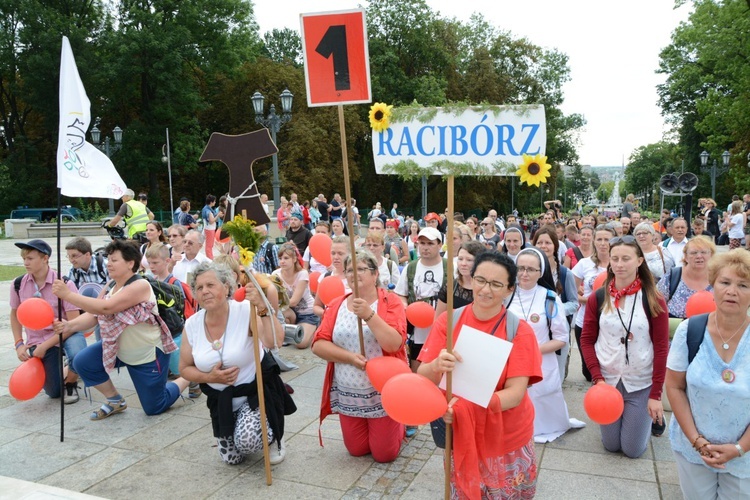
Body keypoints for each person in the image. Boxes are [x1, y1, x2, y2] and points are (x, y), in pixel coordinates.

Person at [417, 251, 543, 498]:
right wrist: (436, 366)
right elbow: (422, 375)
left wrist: (464, 410)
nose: (486, 290)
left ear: (509, 289)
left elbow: (515, 395)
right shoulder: (449, 322)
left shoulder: (519, 331)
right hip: (461, 432)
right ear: (471, 279)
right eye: (481, 280)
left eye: (496, 284)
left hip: (506, 436)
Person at [52, 239, 191, 419]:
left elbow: (106, 308)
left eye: (114, 260)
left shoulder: (140, 285)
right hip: (118, 348)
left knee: (155, 406)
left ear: (130, 263)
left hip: (146, 354)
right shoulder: (111, 285)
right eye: (108, 259)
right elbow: (95, 313)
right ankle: (115, 400)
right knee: (82, 362)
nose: (108, 263)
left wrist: (68, 295)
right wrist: (69, 325)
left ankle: (188, 378)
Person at [179, 262, 295, 465]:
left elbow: (273, 341)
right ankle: (242, 428)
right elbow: (184, 368)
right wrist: (209, 377)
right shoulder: (192, 324)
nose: (204, 291)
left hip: (254, 393)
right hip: (222, 401)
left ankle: (275, 431)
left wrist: (262, 308)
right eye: (199, 288)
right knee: (232, 459)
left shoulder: (245, 311)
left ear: (226, 287)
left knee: (248, 441)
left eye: (210, 285)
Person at [666, 249, 750, 498]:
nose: (732, 291)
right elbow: (675, 387)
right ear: (712, 286)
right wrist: (697, 441)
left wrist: (738, 448)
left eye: (743, 285)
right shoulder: (690, 330)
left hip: (744, 455)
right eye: (725, 282)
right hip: (692, 448)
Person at [311, 250, 407, 462]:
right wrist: (349, 357)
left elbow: (394, 344)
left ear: (374, 274)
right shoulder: (336, 304)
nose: (355, 274)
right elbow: (318, 344)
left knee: (384, 455)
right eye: (350, 270)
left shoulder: (391, 302)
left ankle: (400, 422)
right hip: (349, 391)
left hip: (381, 390)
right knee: (356, 450)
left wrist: (369, 316)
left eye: (361, 269)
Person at [580, 235, 669, 458]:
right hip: (607, 382)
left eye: (626, 258)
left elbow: (660, 346)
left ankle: (649, 417)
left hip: (640, 382)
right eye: (615, 258)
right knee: (610, 445)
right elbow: (587, 339)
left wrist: (656, 394)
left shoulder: (653, 299)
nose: (619, 264)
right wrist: (597, 378)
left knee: (632, 450)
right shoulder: (599, 297)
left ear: (639, 261)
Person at [508, 248, 583, 442]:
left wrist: (531, 350)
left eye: (531, 269)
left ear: (540, 272)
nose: (524, 274)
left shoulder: (550, 297)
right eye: (521, 268)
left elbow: (562, 337)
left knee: (540, 398)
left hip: (540, 359)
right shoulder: (505, 295)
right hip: (508, 359)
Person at [11, 240, 85, 404]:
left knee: (78, 355)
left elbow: (75, 323)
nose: (25, 262)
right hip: (38, 339)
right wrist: (19, 344)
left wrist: (45, 346)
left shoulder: (64, 283)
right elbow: (15, 315)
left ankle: (71, 380)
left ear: (45, 258)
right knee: (53, 392)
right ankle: (66, 369)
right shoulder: (18, 284)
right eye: (24, 258)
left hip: (67, 333)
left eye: (30, 258)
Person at [532, 225, 578, 381]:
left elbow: (574, 303)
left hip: (557, 332)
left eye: (548, 242)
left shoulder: (565, 274)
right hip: (535, 330)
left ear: (555, 246)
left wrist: (554, 310)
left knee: (554, 377)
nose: (544, 246)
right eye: (540, 242)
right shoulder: (527, 271)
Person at [572, 224, 616, 382]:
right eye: (600, 239)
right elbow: (571, 291)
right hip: (586, 320)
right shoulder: (584, 264)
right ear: (594, 241)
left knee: (608, 369)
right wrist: (589, 300)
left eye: (607, 239)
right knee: (589, 373)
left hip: (613, 322)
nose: (603, 243)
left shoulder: (618, 263)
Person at [273, 243, 320, 349]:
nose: (282, 261)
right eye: (280, 258)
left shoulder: (302, 274)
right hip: (291, 312)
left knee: (300, 344)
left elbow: (294, 302)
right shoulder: (275, 274)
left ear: (294, 259)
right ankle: (292, 328)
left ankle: (314, 327)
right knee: (281, 312)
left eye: (286, 258)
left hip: (307, 313)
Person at [657, 236, 716, 319]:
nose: (699, 256)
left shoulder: (718, 278)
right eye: (693, 253)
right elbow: (655, 306)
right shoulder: (672, 276)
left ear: (711, 255)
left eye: (704, 252)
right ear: (686, 256)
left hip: (711, 329)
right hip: (675, 329)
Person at [434, 240, 485, 318]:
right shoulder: (450, 287)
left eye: (469, 260)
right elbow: (438, 319)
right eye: (460, 259)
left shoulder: (486, 289)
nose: (463, 264)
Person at [313, 236, 351, 316]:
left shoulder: (357, 278)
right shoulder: (325, 277)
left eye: (340, 253)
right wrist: (326, 314)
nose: (336, 257)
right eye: (333, 253)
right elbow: (317, 306)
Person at [201, 194, 222, 260]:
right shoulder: (208, 211)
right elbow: (211, 221)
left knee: (209, 245)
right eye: (214, 201)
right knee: (209, 245)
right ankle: (210, 259)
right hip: (210, 229)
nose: (215, 202)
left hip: (207, 228)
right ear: (211, 202)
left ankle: (209, 258)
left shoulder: (206, 208)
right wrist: (218, 215)